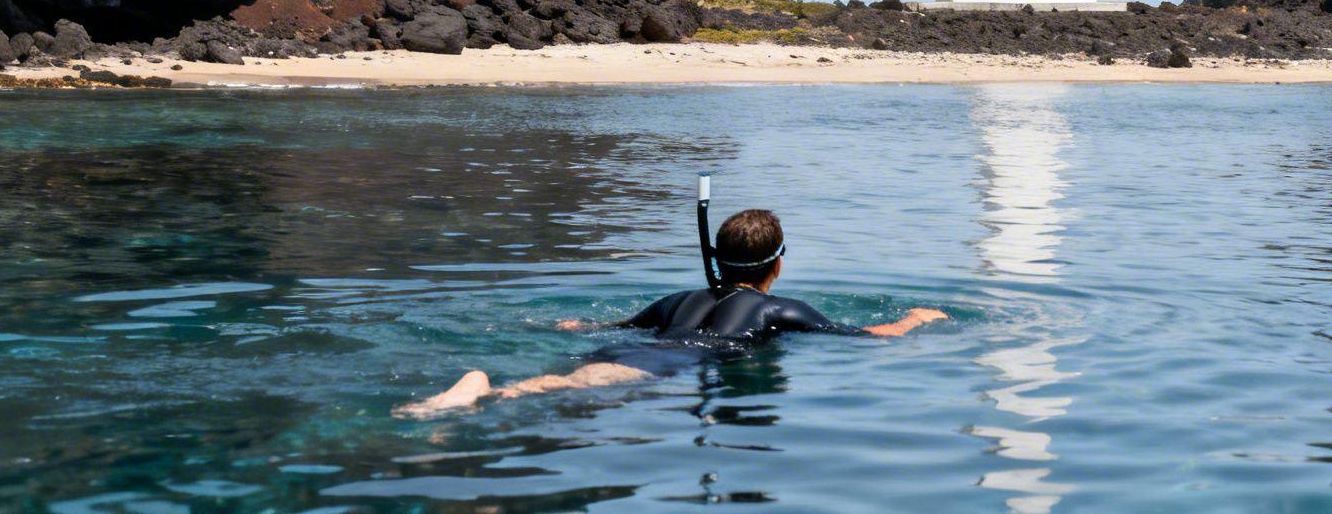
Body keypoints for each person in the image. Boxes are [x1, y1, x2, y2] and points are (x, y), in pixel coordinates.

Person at [395, 208, 946, 417]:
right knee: (573, 388)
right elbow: (869, 336)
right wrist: (917, 319)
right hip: (672, 365)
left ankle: (488, 391)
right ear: (777, 263)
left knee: (572, 378)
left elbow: (614, 324)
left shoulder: (682, 299)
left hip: (640, 349)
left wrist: (576, 325)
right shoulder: (780, 309)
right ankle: (481, 394)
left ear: (719, 260)